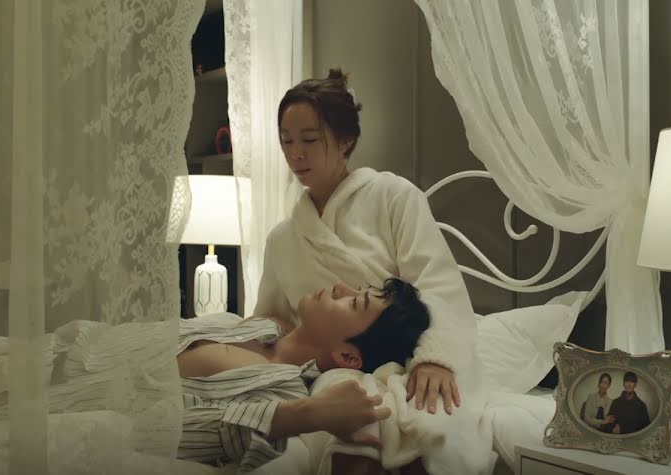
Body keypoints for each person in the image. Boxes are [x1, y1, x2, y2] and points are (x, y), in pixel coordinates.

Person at [254, 68, 481, 473]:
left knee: (433, 422)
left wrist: (435, 359)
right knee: (332, 414)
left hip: (411, 363)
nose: (295, 154)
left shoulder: (395, 197)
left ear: (346, 140)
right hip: (333, 369)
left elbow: (438, 285)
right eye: (286, 141)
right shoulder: (282, 238)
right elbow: (272, 320)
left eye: (309, 139)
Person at [176, 277, 430, 472]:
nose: (340, 286)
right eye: (357, 290)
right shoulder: (264, 326)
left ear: (347, 357)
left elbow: (173, 431)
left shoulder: (285, 395)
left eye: (354, 303)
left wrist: (304, 415)